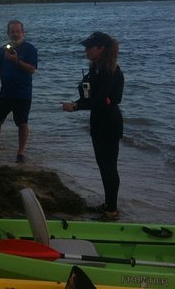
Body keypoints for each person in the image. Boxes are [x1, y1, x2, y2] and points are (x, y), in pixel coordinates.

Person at [62, 32, 124, 222]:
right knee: (102, 165)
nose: (86, 50)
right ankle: (108, 204)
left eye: (90, 47)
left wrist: (76, 106)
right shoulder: (95, 69)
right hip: (98, 121)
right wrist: (77, 102)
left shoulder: (110, 71)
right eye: (86, 47)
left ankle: (112, 210)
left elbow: (101, 101)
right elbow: (90, 98)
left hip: (109, 122)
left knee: (109, 166)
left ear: (102, 48)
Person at [0, 20, 38, 163]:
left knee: (22, 123)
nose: (15, 34)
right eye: (12, 32)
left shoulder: (30, 49)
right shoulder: (2, 50)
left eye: (18, 31)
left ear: (23, 32)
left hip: (23, 94)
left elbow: (32, 69)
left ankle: (20, 152)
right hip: (5, 93)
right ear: (8, 33)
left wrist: (16, 61)